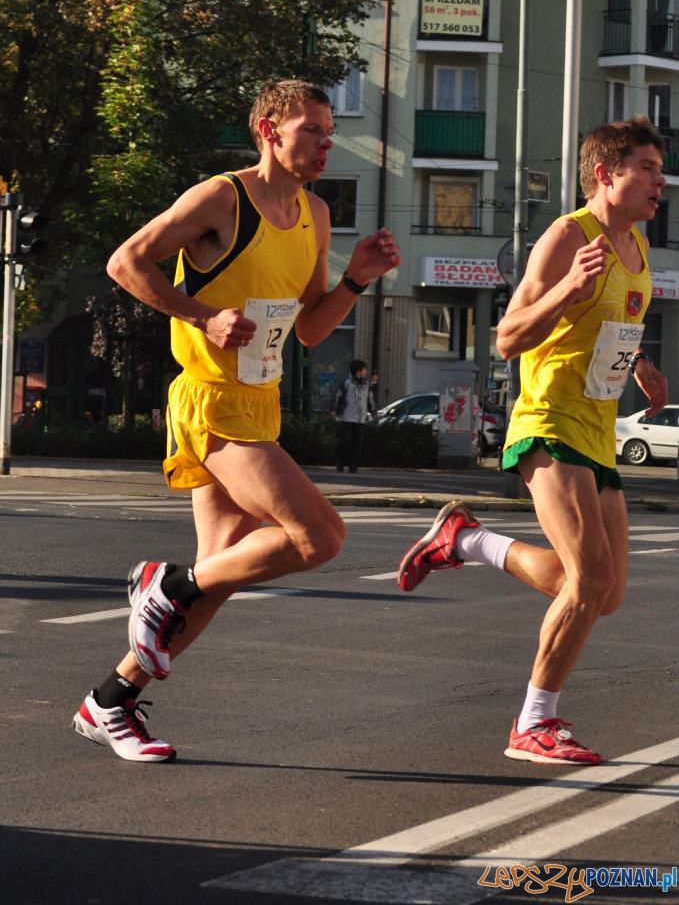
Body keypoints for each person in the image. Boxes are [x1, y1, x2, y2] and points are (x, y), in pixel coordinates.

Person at [73, 78, 400, 762]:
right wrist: (203, 316)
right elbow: (125, 262)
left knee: (219, 577)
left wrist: (356, 279)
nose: (325, 143)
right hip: (211, 399)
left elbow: (309, 330)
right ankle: (166, 585)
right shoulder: (223, 198)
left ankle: (110, 700)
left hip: (260, 400)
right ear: (268, 131)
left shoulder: (315, 213)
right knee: (321, 536)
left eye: (329, 131)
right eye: (311, 130)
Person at [397, 115, 668, 765]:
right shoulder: (566, 236)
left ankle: (465, 541)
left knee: (604, 593)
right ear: (605, 174)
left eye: (661, 170)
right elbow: (508, 337)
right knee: (589, 578)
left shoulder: (637, 247)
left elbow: (605, 327)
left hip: (597, 431)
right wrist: (567, 287)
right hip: (548, 421)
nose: (661, 182)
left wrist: (638, 364)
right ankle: (533, 722)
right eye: (647, 169)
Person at [334, 358, 375, 473]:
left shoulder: (367, 384)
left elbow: (370, 399)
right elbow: (337, 396)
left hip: (360, 418)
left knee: (357, 443)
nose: (366, 372)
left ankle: (353, 466)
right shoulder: (347, 383)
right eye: (364, 369)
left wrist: (373, 412)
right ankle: (340, 464)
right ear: (358, 371)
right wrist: (334, 410)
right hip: (346, 417)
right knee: (345, 441)